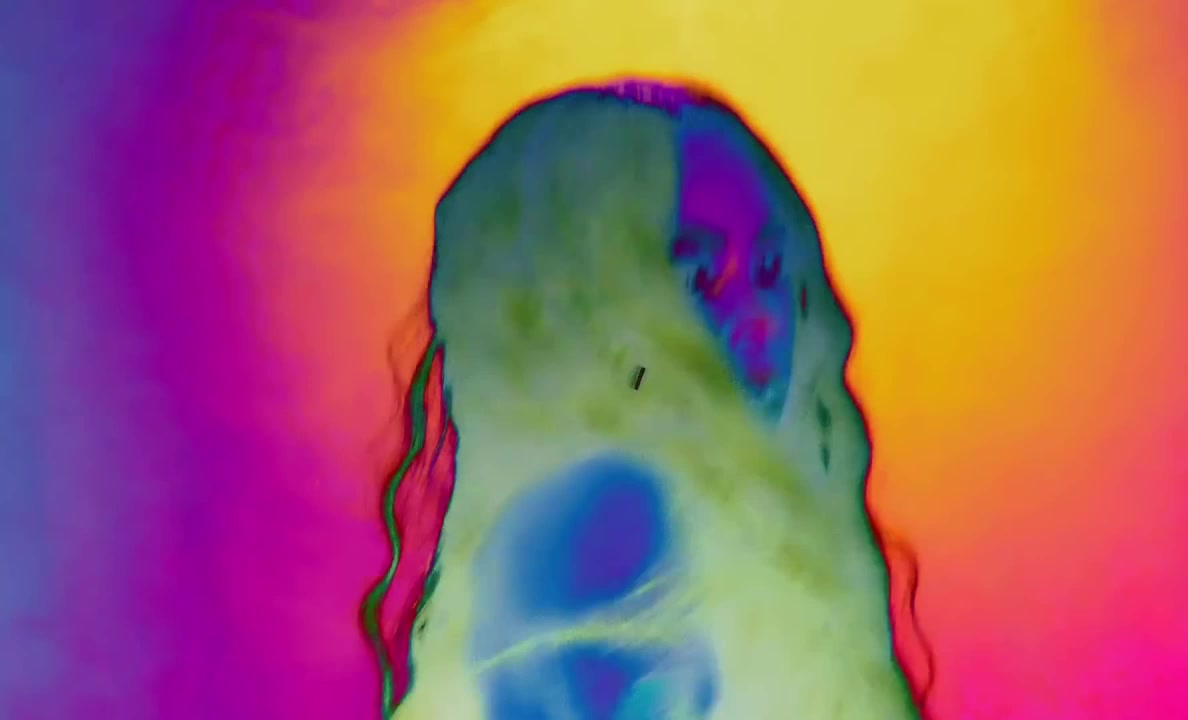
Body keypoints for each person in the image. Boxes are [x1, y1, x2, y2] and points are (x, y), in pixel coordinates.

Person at [368, 80, 924, 720]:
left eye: (769, 270)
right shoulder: (598, 539)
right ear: (582, 300)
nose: (762, 319)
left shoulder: (723, 522)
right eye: (698, 278)